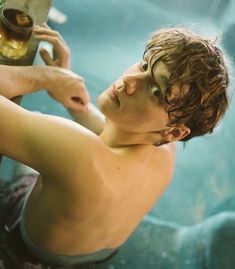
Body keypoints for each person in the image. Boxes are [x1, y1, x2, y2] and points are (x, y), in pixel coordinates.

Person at [0, 24, 229, 268]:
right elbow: (113, 143)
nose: (129, 81)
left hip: (22, 244)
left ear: (174, 131)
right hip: (92, 255)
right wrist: (80, 107)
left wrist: (44, 77)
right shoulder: (166, 149)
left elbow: (86, 158)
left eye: (155, 91)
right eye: (144, 65)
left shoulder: (78, 154)